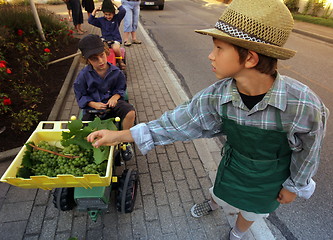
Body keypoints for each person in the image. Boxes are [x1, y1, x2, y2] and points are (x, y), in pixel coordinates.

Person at [86, 0, 329, 239]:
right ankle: (214, 203)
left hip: (270, 178)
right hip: (234, 165)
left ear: (251, 59)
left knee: (252, 211)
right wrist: (118, 136)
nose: (211, 56)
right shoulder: (217, 96)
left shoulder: (303, 104)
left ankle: (237, 233)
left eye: (219, 48)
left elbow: (309, 151)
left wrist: (294, 186)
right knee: (221, 192)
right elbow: (174, 123)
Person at [74, 34, 136, 134]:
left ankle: (125, 139)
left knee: (130, 112)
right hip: (93, 109)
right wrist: (92, 104)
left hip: (112, 105)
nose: (101, 61)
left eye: (102, 55)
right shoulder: (83, 76)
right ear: (87, 60)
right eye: (94, 59)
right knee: (84, 129)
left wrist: (115, 97)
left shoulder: (117, 72)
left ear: (106, 52)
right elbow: (80, 95)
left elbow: (121, 88)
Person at [88, 0, 126, 70]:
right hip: (104, 39)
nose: (108, 16)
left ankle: (120, 61)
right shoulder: (101, 20)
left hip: (115, 39)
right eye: (106, 14)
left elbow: (123, 11)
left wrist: (114, 3)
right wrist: (95, 10)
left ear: (113, 13)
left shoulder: (117, 18)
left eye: (110, 14)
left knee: (116, 48)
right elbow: (90, 20)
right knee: (99, 50)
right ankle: (100, 63)